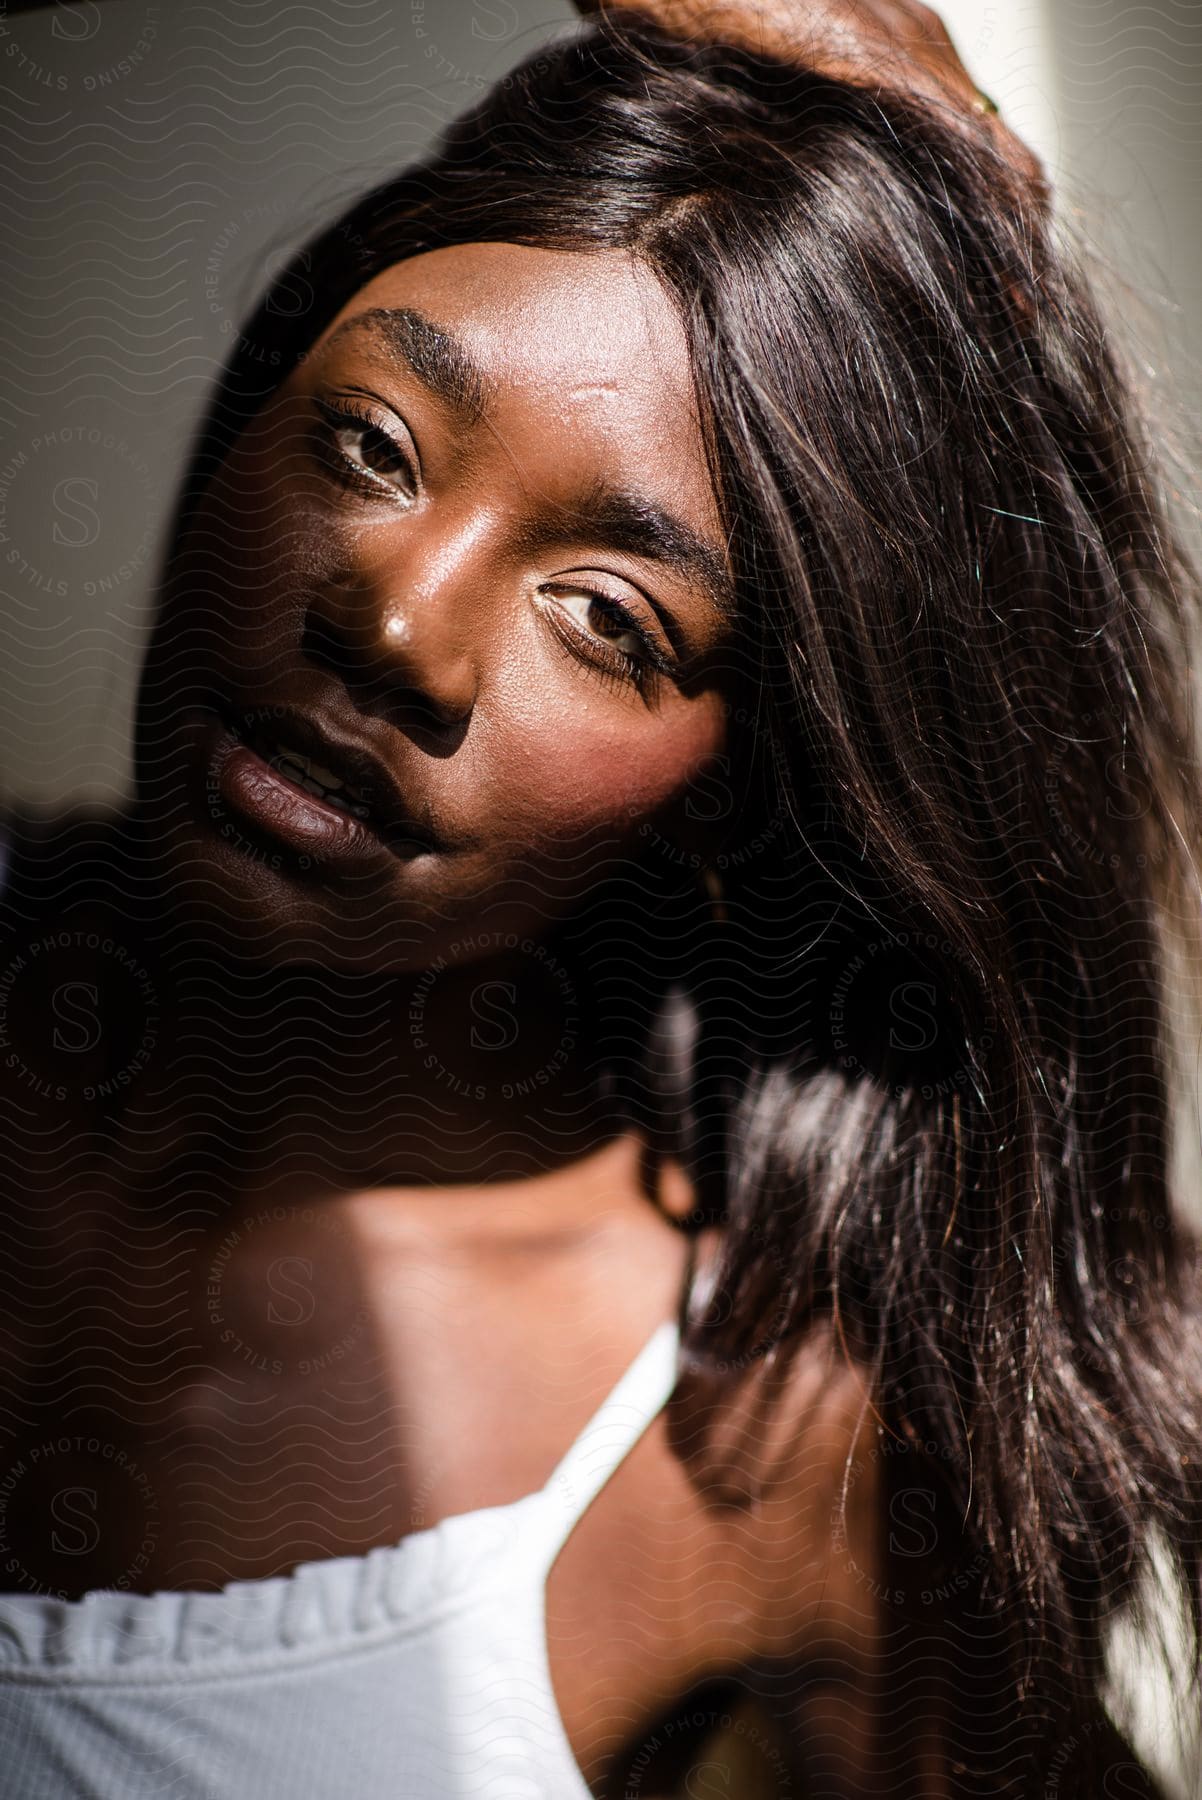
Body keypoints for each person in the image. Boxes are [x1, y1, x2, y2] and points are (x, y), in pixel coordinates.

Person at [0, 2, 1199, 1794]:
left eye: (608, 618)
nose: (394, 624)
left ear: (743, 789)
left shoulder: (763, 1444)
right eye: (370, 441)